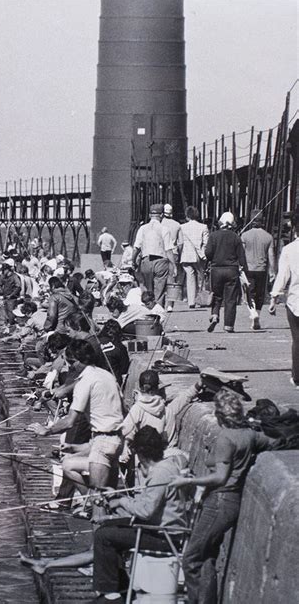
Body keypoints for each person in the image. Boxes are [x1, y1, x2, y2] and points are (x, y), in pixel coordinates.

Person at [170, 389, 278, 604]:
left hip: (220, 501)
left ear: (220, 416)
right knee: (207, 556)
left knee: (191, 559)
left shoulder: (225, 439)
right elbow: (272, 441)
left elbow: (220, 477)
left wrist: (188, 481)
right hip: (231, 502)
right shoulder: (249, 435)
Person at [92, 427, 188, 604]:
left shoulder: (160, 473)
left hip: (164, 536)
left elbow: (145, 511)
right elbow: (148, 504)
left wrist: (121, 502)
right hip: (160, 529)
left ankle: (110, 594)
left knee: (103, 536)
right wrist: (117, 497)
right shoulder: (167, 466)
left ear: (141, 453)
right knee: (108, 526)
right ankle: (120, 588)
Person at [28, 339, 124, 496]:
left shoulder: (85, 382)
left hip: (103, 442)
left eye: (69, 362)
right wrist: (74, 447)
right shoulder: (107, 375)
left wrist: (46, 430)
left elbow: (70, 420)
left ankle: (90, 504)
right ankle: (94, 506)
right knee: (108, 495)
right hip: (116, 439)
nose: (69, 367)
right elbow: (122, 409)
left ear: (76, 362)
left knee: (93, 491)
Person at [269, 211, 299, 389]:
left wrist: (274, 297)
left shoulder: (289, 250)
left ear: (294, 228)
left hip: (295, 300)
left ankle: (297, 376)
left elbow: (283, 276)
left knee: (297, 339)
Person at [205, 212, 248, 333]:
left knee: (217, 295)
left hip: (216, 270)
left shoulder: (213, 236)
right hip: (231, 270)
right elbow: (241, 257)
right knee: (230, 299)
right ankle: (229, 325)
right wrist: (245, 271)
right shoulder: (235, 237)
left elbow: (208, 253)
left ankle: (214, 314)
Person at [132, 204, 176, 307]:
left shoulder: (142, 228)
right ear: (161, 215)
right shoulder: (164, 229)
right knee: (159, 292)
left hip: (146, 261)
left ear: (149, 215)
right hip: (160, 261)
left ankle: (148, 311)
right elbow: (169, 250)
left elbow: (136, 248)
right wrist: (173, 265)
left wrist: (133, 261)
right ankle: (158, 315)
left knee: (148, 290)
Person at [241, 209, 276, 329]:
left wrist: (240, 267)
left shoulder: (245, 235)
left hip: (248, 268)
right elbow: (271, 255)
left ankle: (253, 313)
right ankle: (258, 316)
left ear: (251, 220)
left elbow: (241, 253)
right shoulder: (268, 237)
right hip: (262, 269)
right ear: (263, 220)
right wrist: (273, 271)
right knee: (260, 294)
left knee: (249, 293)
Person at [180, 206, 210, 308]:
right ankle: (201, 300)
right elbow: (206, 243)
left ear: (187, 215)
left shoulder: (182, 227)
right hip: (199, 256)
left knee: (190, 277)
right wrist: (203, 253)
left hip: (186, 255)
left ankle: (191, 301)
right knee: (201, 278)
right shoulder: (203, 227)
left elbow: (180, 242)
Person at [162, 204, 184, 312]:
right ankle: (170, 304)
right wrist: (178, 255)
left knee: (160, 278)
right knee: (172, 279)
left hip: (161, 253)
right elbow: (180, 243)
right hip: (173, 252)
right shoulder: (177, 225)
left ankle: (160, 302)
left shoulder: (160, 224)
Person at [97, 319, 130, 385]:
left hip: (97, 380)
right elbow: (124, 368)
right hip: (113, 381)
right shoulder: (120, 347)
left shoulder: (95, 342)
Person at [0, 259, 22, 326]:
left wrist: (11, 295)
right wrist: (0, 291)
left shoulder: (14, 277)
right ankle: (7, 324)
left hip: (12, 298)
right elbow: (0, 285)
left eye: (4, 270)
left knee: (11, 312)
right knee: (5, 312)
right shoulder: (3, 276)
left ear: (8, 270)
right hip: (5, 297)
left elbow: (18, 287)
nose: (3, 272)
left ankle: (11, 324)